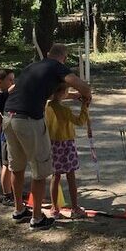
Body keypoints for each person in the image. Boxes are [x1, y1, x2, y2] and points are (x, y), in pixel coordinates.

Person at [3, 43, 91, 231]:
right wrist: (86, 95)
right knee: (40, 169)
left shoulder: (33, 66)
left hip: (9, 116)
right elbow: (82, 86)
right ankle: (37, 218)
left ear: (48, 53)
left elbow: (44, 94)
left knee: (16, 167)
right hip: (29, 119)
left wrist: (73, 96)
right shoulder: (56, 67)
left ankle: (19, 210)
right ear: (64, 58)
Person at [45, 82, 89, 218]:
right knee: (71, 176)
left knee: (55, 176)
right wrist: (85, 107)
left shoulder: (47, 106)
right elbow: (80, 121)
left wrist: (75, 95)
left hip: (52, 144)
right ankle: (75, 208)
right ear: (63, 93)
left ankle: (54, 208)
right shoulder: (66, 110)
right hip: (67, 145)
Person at [0, 68, 16, 205]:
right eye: (10, 80)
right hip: (6, 134)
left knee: (14, 164)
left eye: (14, 79)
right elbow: (3, 96)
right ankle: (7, 195)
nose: (13, 82)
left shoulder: (7, 94)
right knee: (6, 165)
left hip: (13, 132)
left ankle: (12, 189)